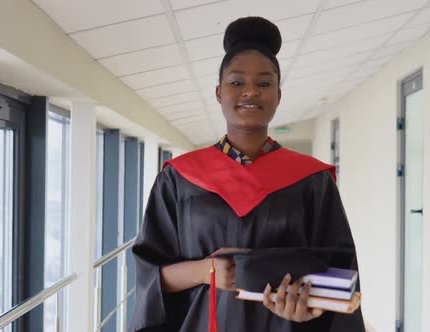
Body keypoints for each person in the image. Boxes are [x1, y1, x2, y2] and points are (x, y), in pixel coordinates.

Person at [131, 16, 365, 332]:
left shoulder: (311, 181)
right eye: (237, 82)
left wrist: (308, 310)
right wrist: (206, 271)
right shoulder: (179, 178)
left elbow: (339, 275)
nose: (250, 92)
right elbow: (151, 277)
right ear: (218, 92)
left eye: (264, 83)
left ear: (279, 95)